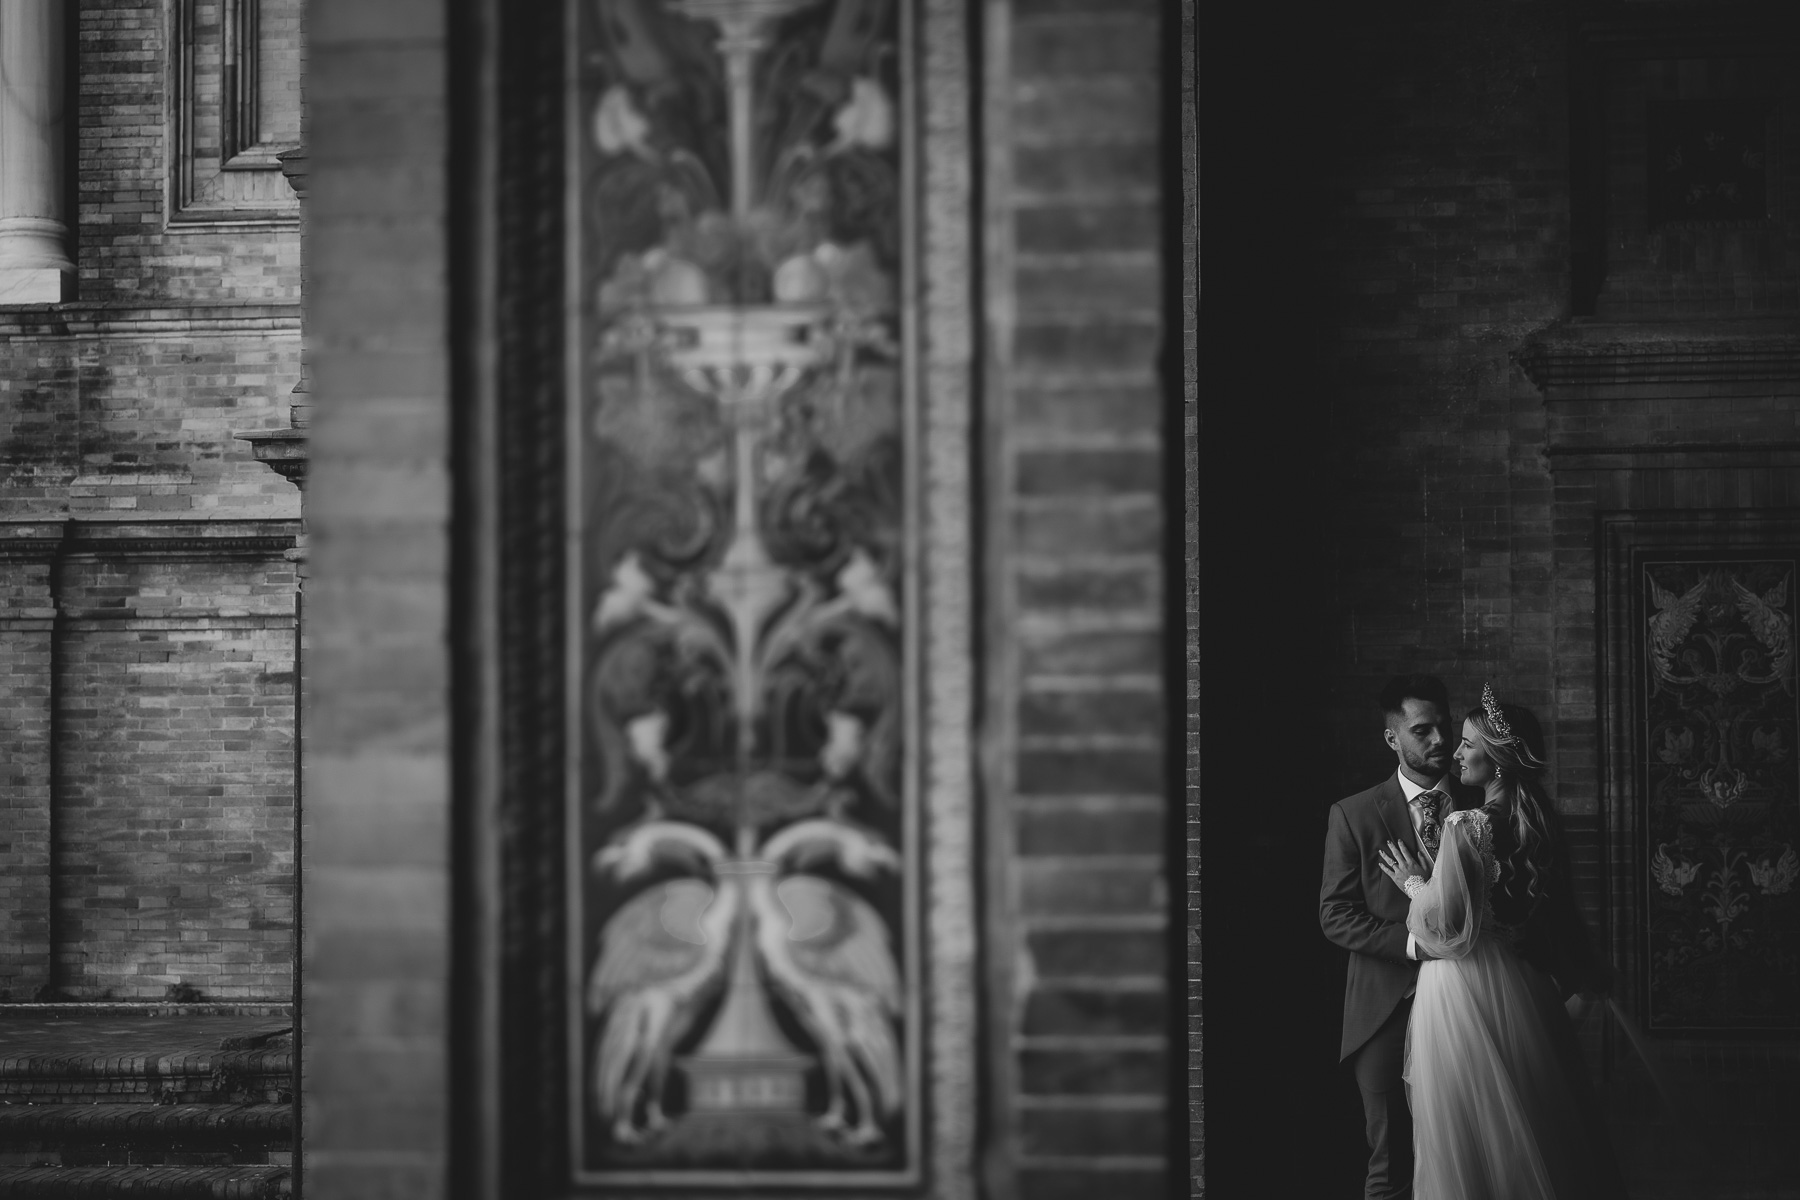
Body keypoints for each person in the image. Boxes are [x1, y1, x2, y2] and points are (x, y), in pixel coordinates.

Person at [1375, 685, 1627, 1200]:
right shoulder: (1538, 822)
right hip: (1516, 981)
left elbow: (1446, 926)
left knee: (1466, 1128)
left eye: (1468, 744)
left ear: (1497, 759)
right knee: (1527, 1120)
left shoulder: (1466, 824)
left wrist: (1414, 885)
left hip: (1460, 986)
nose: (1457, 752)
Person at [1320, 675, 1480, 1200]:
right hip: (1384, 1008)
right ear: (1394, 740)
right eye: (1422, 730)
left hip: (1472, 1002)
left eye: (1444, 726)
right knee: (1390, 1163)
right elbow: (1335, 914)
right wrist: (1413, 945)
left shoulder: (1482, 807)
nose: (1439, 740)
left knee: (1472, 1149)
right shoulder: (1355, 814)